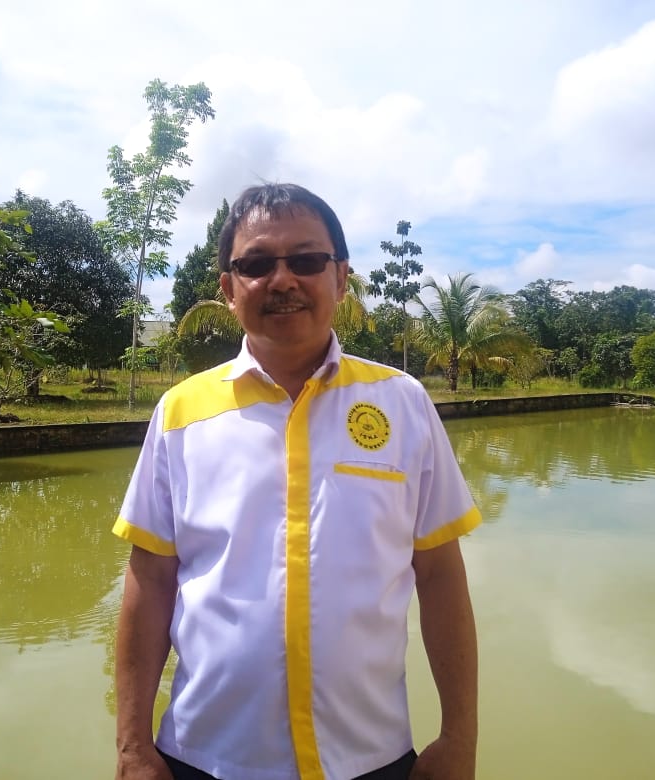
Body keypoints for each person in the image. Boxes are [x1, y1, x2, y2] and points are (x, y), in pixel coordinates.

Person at [113, 183, 481, 780]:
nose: (282, 280)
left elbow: (440, 575)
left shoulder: (402, 403)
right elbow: (150, 581)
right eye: (257, 264)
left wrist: (460, 738)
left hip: (371, 758)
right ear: (229, 288)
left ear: (340, 278)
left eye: (307, 260)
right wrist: (132, 747)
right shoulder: (180, 413)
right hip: (205, 758)